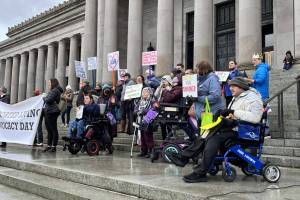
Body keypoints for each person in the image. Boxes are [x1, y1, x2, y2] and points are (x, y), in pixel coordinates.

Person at [168, 77, 263, 183]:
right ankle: (187, 160)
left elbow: (255, 118)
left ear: (242, 87)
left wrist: (233, 112)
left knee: (214, 137)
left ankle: (194, 166)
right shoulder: (236, 97)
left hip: (246, 134)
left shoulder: (253, 98)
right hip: (234, 130)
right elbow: (233, 114)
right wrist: (224, 113)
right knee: (208, 133)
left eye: (234, 86)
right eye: (230, 86)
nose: (230, 89)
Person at [134, 87, 156, 158]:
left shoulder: (152, 101)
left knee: (148, 136)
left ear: (149, 93)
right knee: (142, 136)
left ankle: (150, 151)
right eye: (143, 92)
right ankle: (143, 151)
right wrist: (137, 112)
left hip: (148, 121)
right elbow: (135, 110)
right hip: (140, 120)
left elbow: (154, 110)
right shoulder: (140, 101)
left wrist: (144, 112)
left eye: (146, 92)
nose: (144, 93)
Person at [43, 78, 63, 152]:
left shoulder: (55, 90)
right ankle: (49, 145)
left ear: (53, 83)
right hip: (49, 111)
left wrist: (44, 98)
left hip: (52, 111)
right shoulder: (53, 90)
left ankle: (54, 146)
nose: (48, 84)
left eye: (49, 83)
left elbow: (49, 100)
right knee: (49, 129)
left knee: (53, 129)